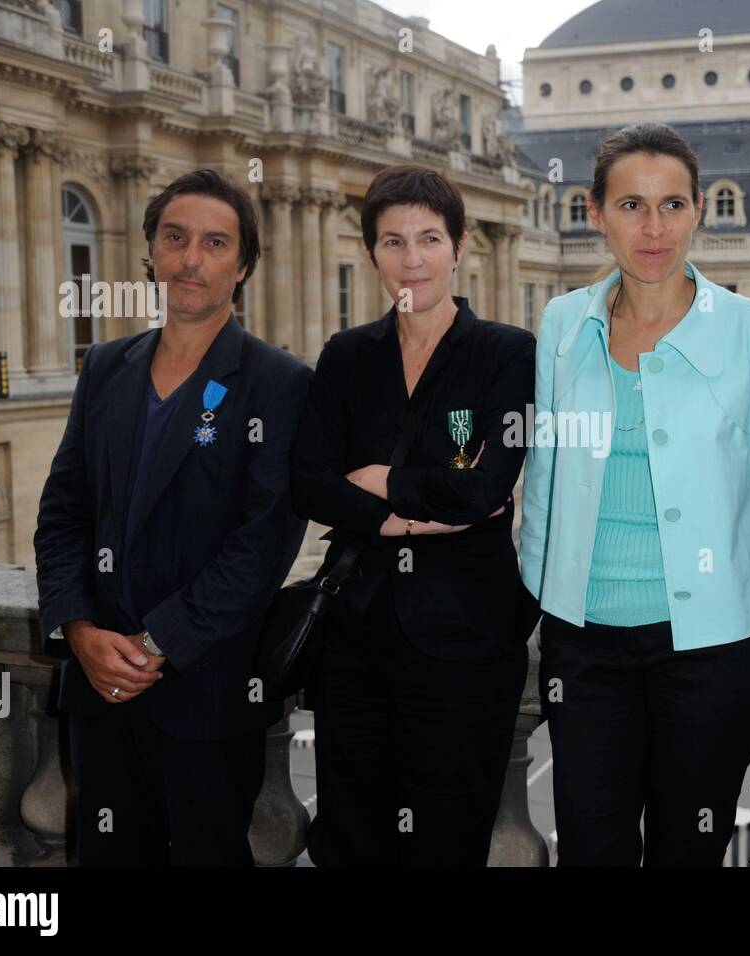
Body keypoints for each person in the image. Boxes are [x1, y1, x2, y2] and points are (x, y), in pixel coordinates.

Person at [519, 122, 750, 866]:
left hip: (716, 650)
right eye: (630, 206)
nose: (654, 228)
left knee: (690, 849)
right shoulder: (562, 323)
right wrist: (539, 599)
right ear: (595, 212)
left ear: (698, 211)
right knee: (592, 847)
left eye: (673, 205)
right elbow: (546, 479)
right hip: (583, 644)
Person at [34, 169, 312, 865]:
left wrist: (154, 646)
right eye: (176, 238)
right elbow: (63, 511)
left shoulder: (279, 383)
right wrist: (79, 630)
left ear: (242, 265)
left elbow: (264, 545)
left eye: (215, 243)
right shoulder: (106, 366)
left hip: (205, 692)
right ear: (150, 254)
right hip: (98, 687)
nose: (192, 259)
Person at [291, 164, 535, 866]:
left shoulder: (507, 353)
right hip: (356, 640)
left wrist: (378, 485)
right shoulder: (346, 356)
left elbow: (486, 489)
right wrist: (409, 516)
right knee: (350, 835)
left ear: (460, 249)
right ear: (371, 254)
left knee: (448, 838)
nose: (412, 258)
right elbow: (309, 484)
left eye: (430, 238)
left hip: (467, 640)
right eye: (393, 241)